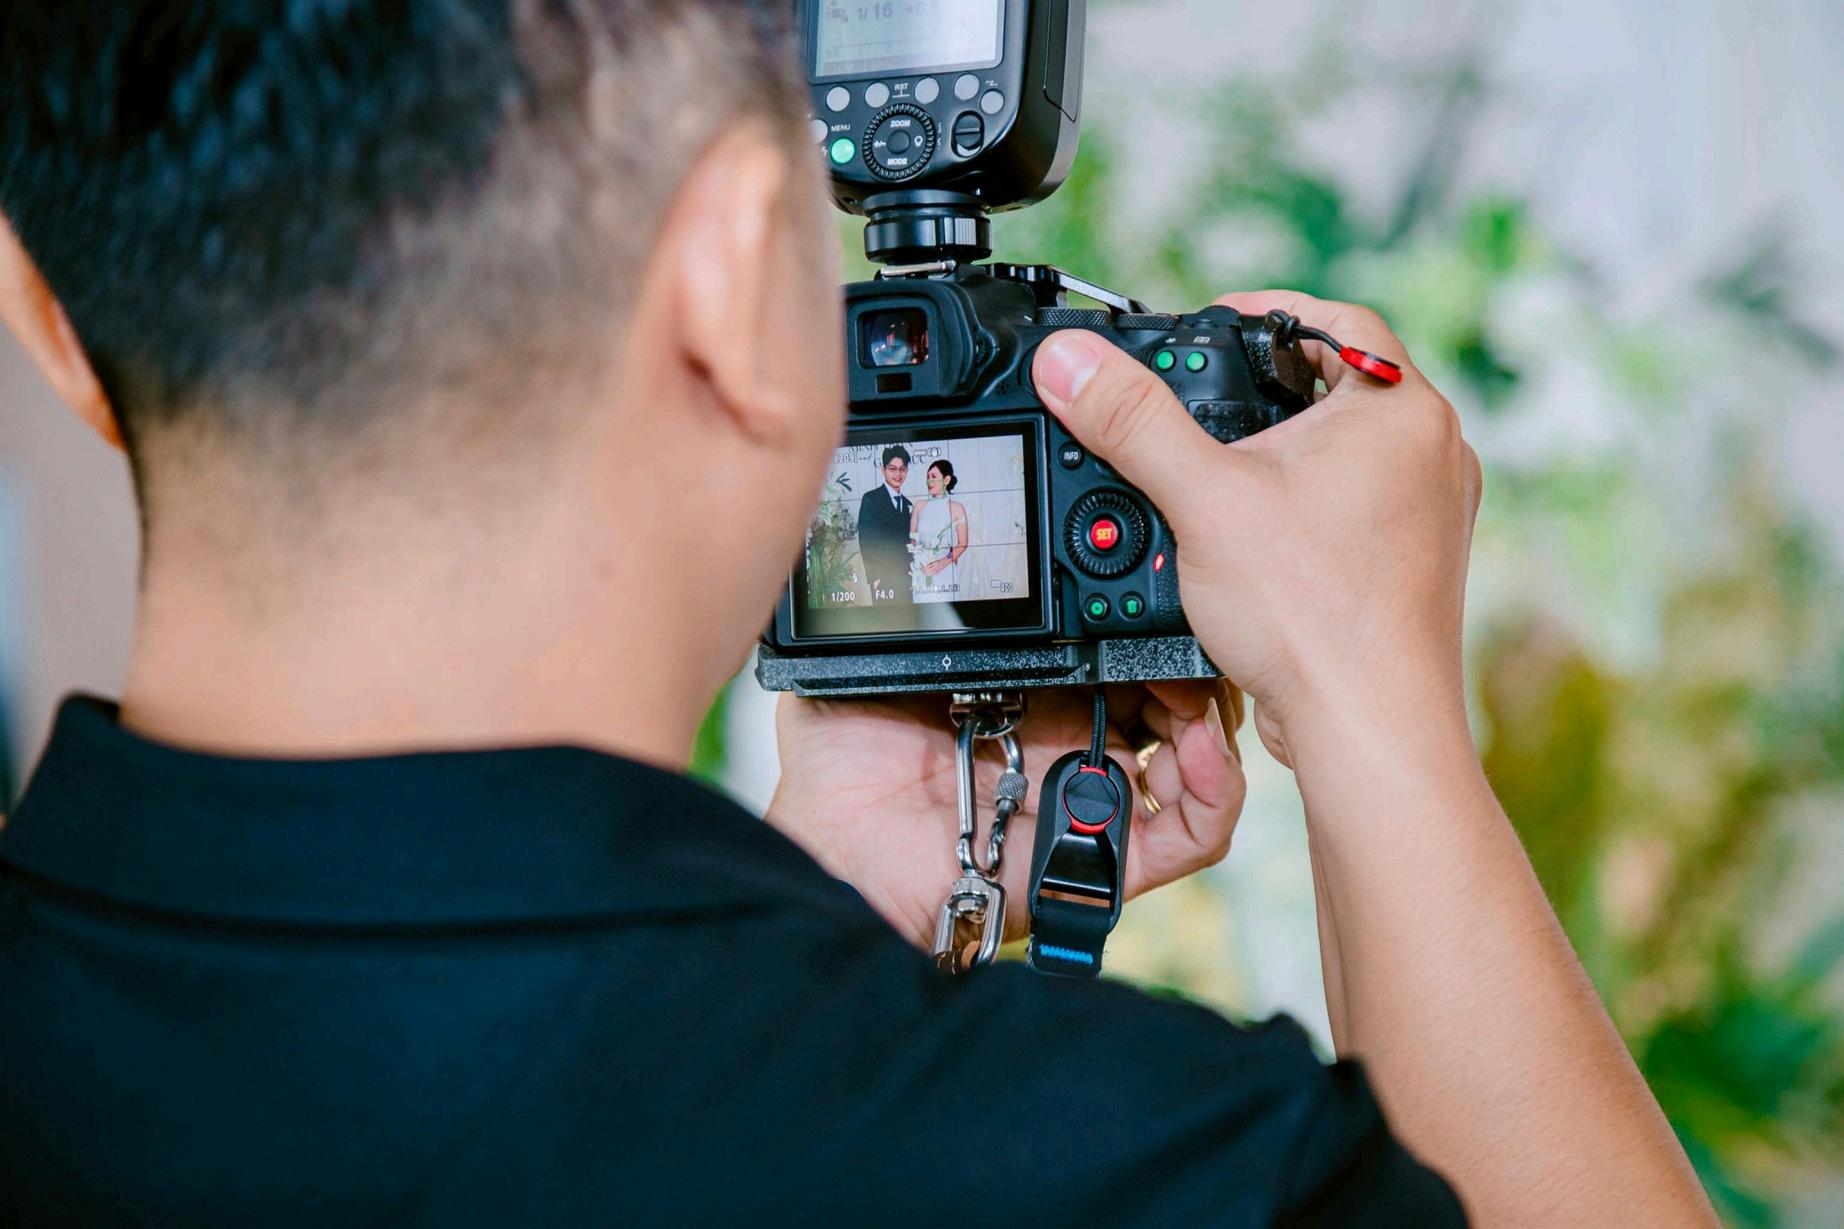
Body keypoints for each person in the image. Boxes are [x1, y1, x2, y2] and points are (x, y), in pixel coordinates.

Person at [0, 2, 1717, 1226]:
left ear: (43, 314)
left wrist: (814, 922)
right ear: (730, 275)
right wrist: (1371, 712)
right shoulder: (1140, 1163)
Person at [857, 444, 915, 605]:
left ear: (907, 471)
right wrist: (875, 578)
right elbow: (867, 541)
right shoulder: (871, 499)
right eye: (892, 469)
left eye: (902, 469)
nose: (898, 474)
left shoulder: (908, 504)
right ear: (883, 470)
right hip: (883, 580)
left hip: (907, 579)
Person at [908, 458, 968, 602]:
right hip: (922, 570)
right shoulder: (919, 506)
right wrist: (920, 561)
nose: (930, 481)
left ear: (946, 480)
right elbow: (913, 539)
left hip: (945, 571)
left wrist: (941, 564)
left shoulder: (957, 508)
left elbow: (963, 543)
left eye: (934, 476)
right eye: (928, 477)